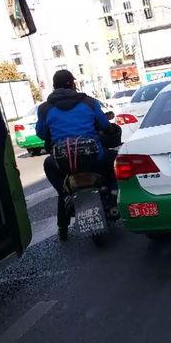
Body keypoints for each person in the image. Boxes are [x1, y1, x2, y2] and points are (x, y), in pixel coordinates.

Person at [36, 70, 118, 239]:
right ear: (72, 84)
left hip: (63, 163)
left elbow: (41, 133)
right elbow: (104, 125)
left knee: (51, 168)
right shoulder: (89, 102)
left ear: (54, 86)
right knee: (114, 159)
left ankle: (63, 211)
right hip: (94, 158)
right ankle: (113, 194)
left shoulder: (44, 108)